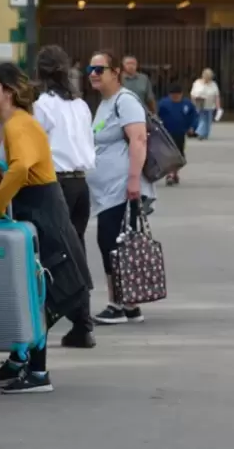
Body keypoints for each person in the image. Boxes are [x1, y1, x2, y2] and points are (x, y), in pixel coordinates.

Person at [0, 62, 89, 394]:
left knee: (37, 291)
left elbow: (23, 167)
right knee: (27, 289)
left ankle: (37, 372)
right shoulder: (7, 122)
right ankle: (19, 359)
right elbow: (11, 165)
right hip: (34, 208)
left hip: (42, 211)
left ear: (9, 91)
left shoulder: (18, 124)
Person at [85, 51, 156, 325]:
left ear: (115, 72)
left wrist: (134, 179)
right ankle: (129, 303)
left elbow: (138, 139)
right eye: (90, 68)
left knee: (112, 242)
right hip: (107, 191)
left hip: (121, 188)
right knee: (116, 243)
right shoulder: (105, 103)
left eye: (99, 69)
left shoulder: (125, 101)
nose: (93, 73)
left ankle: (118, 303)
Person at [33, 45, 96, 348]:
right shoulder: (80, 105)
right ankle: (82, 322)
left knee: (52, 254)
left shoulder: (42, 106)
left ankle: (50, 319)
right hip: (81, 183)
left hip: (54, 183)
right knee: (76, 250)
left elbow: (34, 146)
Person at [157, 84, 199, 186]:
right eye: (173, 95)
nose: (176, 97)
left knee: (179, 154)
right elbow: (156, 115)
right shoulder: (163, 104)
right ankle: (170, 174)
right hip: (166, 133)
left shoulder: (187, 104)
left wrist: (192, 127)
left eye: (178, 95)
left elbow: (194, 117)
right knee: (168, 154)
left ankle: (175, 172)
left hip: (180, 133)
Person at [190, 68, 220, 140]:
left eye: (209, 78)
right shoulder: (197, 83)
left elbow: (216, 96)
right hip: (199, 104)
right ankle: (200, 132)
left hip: (210, 105)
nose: (207, 79)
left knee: (208, 120)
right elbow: (192, 94)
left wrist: (218, 107)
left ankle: (205, 134)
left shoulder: (213, 84)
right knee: (202, 119)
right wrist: (193, 102)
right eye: (206, 77)